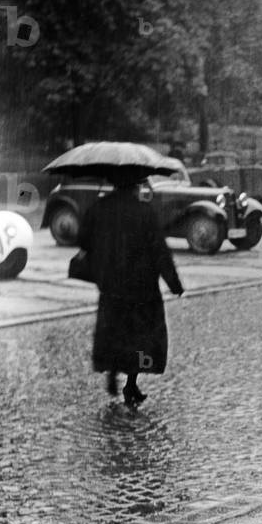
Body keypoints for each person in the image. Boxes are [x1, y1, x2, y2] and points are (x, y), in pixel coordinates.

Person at [79, 172, 184, 407]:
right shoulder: (145, 212)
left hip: (111, 285)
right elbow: (160, 251)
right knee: (139, 338)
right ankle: (131, 382)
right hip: (141, 289)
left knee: (114, 331)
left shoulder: (99, 208)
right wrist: (174, 283)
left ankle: (114, 372)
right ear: (135, 187)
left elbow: (83, 240)